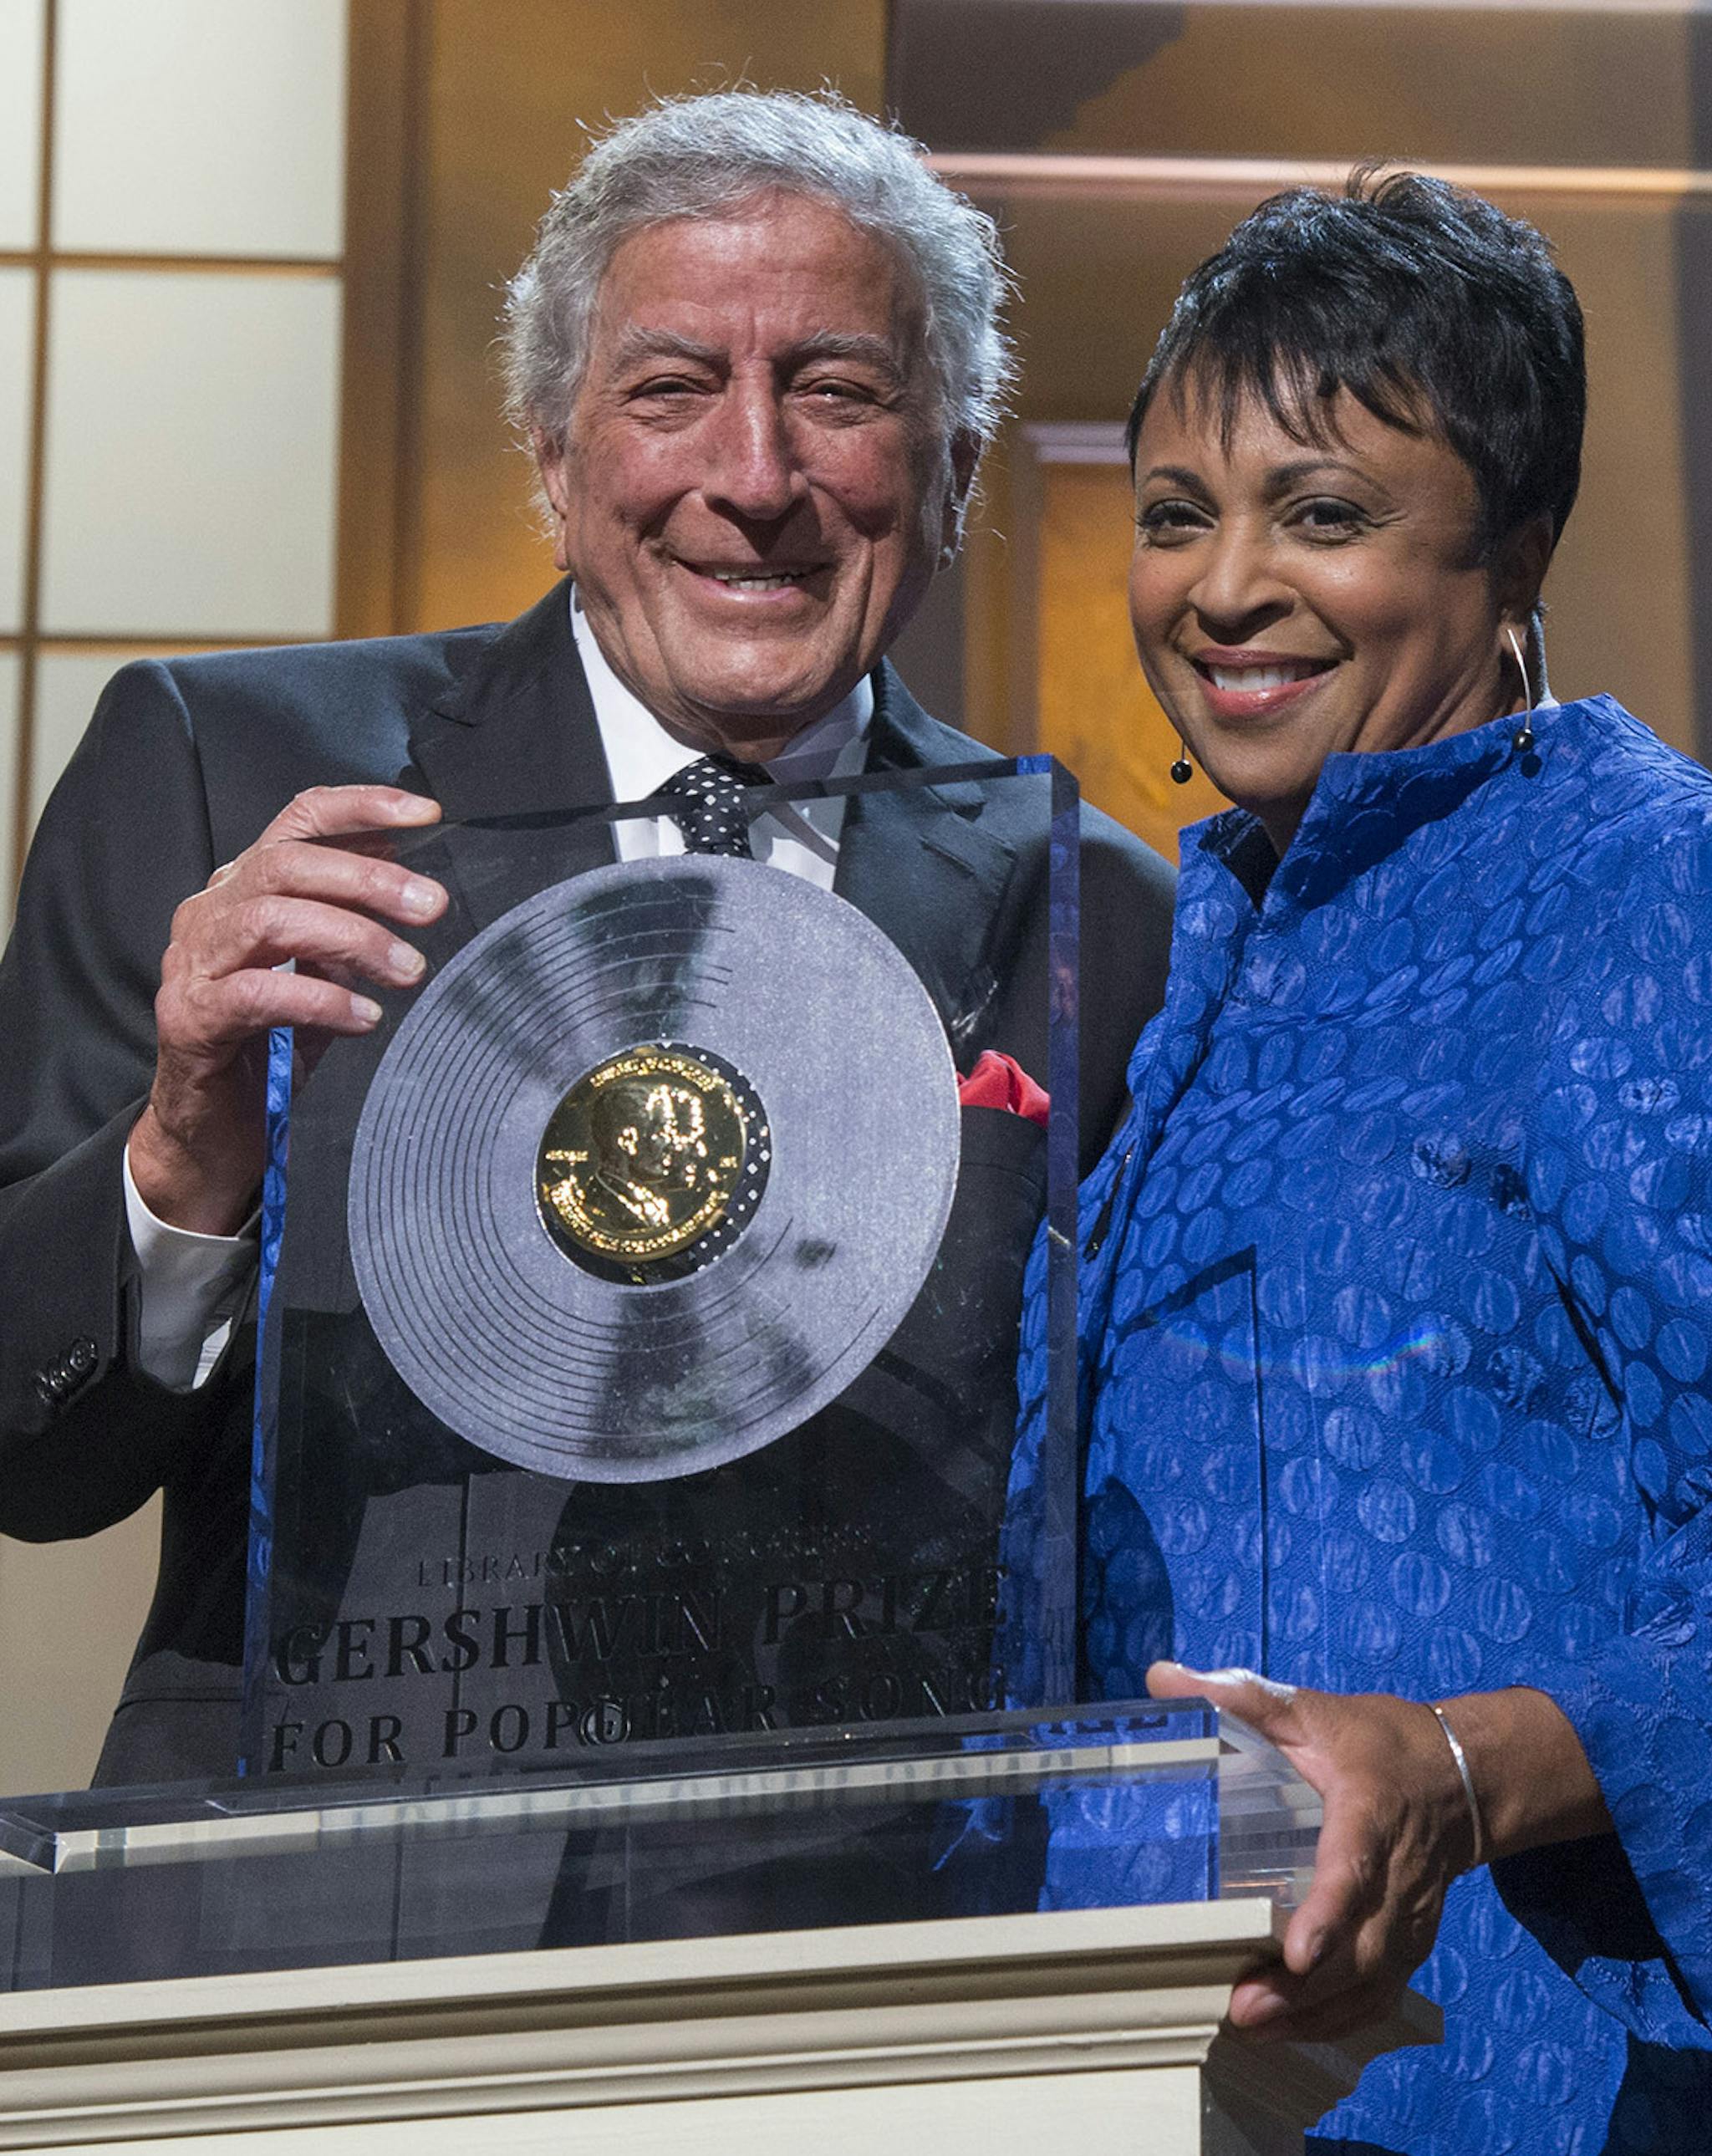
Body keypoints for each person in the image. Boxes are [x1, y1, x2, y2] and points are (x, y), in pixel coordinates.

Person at [0, 89, 1174, 1788]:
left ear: (955, 469)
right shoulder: (230, 776)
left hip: (872, 1936)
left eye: (836, 392)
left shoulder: (1107, 913)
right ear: (554, 457)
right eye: (672, 390)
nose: (754, 476)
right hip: (309, 1915)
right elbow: (31, 1467)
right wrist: (187, 1145)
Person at [1007, 171, 1712, 2153]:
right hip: (1157, 2077)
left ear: (1516, 545)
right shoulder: (1216, 945)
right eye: (1178, 513)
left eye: (1326, 513)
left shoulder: (1678, 895)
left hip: (1516, 2074)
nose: (1223, 587)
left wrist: (1456, 1771)